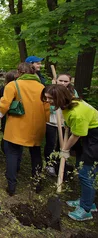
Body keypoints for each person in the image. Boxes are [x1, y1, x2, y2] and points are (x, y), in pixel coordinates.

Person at [42, 84, 98, 221]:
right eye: (46, 97)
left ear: (59, 97)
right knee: (81, 166)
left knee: (86, 173)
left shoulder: (77, 113)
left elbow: (76, 135)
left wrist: (65, 150)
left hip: (94, 138)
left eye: (50, 98)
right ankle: (86, 200)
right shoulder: (69, 102)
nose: (47, 100)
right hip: (87, 135)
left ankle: (87, 209)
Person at [0, 62, 49, 196]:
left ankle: (11, 186)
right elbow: (47, 109)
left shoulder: (13, 85)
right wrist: (45, 122)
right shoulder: (42, 87)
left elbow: (4, 105)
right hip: (37, 127)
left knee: (12, 154)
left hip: (16, 127)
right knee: (36, 154)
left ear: (19, 72)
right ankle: (37, 183)